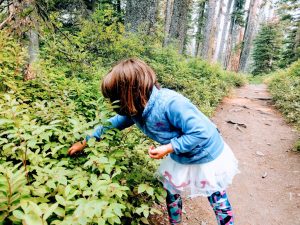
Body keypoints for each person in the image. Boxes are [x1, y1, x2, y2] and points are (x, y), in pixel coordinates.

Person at [68, 58, 239, 225]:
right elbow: (113, 123)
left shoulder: (171, 103)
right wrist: (85, 142)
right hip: (180, 154)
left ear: (130, 92)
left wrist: (169, 147)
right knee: (172, 192)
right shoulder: (136, 109)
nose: (113, 103)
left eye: (115, 97)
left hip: (206, 154)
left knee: (216, 194)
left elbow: (201, 132)